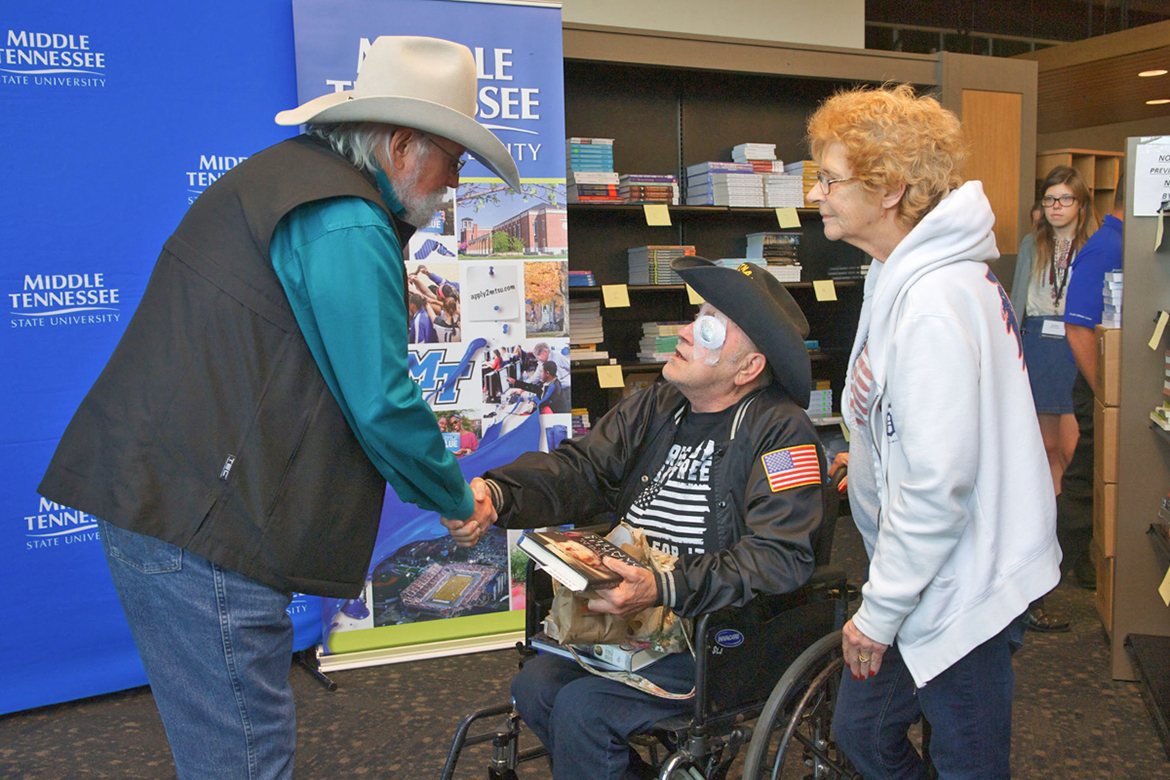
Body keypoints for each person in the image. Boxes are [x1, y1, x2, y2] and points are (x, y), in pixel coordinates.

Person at [36, 36, 516, 780]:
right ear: (399, 144)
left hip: (168, 505)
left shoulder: (291, 179)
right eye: (453, 158)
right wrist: (453, 499)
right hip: (207, 528)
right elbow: (383, 401)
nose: (455, 183)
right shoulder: (347, 219)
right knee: (243, 759)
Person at [442, 257, 826, 780]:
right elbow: (582, 468)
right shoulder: (660, 403)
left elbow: (778, 556)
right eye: (696, 316)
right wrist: (497, 493)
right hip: (634, 619)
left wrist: (663, 586)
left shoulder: (783, 434)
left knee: (583, 711)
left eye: (709, 327)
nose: (686, 331)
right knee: (533, 687)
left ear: (749, 368)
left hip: (715, 634)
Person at [805, 84, 1060, 779]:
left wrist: (876, 615)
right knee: (863, 732)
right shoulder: (901, 274)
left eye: (831, 179)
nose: (817, 193)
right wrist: (871, 457)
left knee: (965, 760)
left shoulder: (936, 299)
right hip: (921, 571)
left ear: (888, 190)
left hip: (961, 583)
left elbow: (940, 482)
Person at [1009, 167, 1098, 632]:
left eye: (1066, 199)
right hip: (1039, 345)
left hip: (1077, 343)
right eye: (1050, 199)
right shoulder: (1032, 244)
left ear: (1081, 203)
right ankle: (1051, 551)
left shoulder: (1096, 243)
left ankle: (1079, 545)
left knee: (1075, 450)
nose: (1057, 207)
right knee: (1044, 454)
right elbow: (1019, 299)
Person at [1060, 174, 1126, 592]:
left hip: (1109, 386)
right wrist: (1107, 394)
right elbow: (1078, 328)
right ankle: (1054, 572)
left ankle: (1080, 564)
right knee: (1085, 481)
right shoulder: (1106, 247)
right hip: (1099, 386)